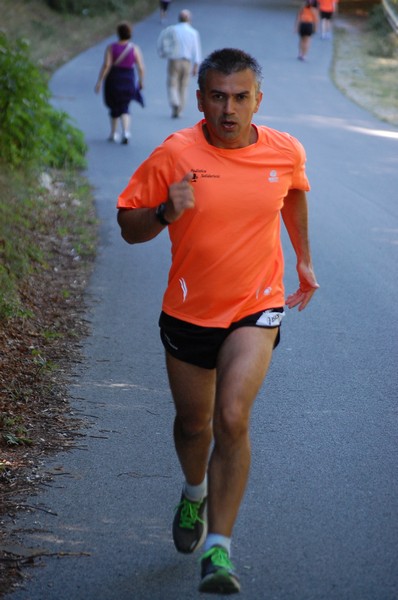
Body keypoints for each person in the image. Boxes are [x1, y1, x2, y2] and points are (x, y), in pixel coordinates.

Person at [117, 48, 319, 595]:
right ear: (201, 97)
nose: (229, 108)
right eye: (218, 96)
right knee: (194, 425)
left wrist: (302, 258)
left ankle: (218, 550)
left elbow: (293, 195)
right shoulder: (175, 154)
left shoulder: (284, 150)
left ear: (258, 99)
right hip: (189, 311)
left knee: (231, 417)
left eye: (240, 97)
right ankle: (192, 491)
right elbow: (128, 226)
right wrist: (163, 212)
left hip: (257, 303)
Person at [95, 21, 145, 144]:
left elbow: (107, 65)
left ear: (118, 33)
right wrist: (141, 81)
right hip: (128, 79)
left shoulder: (111, 47)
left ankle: (113, 133)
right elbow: (141, 67)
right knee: (125, 106)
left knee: (114, 105)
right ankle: (126, 132)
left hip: (114, 78)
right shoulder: (134, 48)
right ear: (129, 34)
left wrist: (100, 81)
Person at [157, 9, 201, 118]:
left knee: (172, 84)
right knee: (184, 86)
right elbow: (196, 50)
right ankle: (180, 109)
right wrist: (196, 66)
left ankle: (175, 103)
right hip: (187, 62)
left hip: (174, 60)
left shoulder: (173, 30)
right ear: (189, 19)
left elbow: (164, 42)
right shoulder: (193, 32)